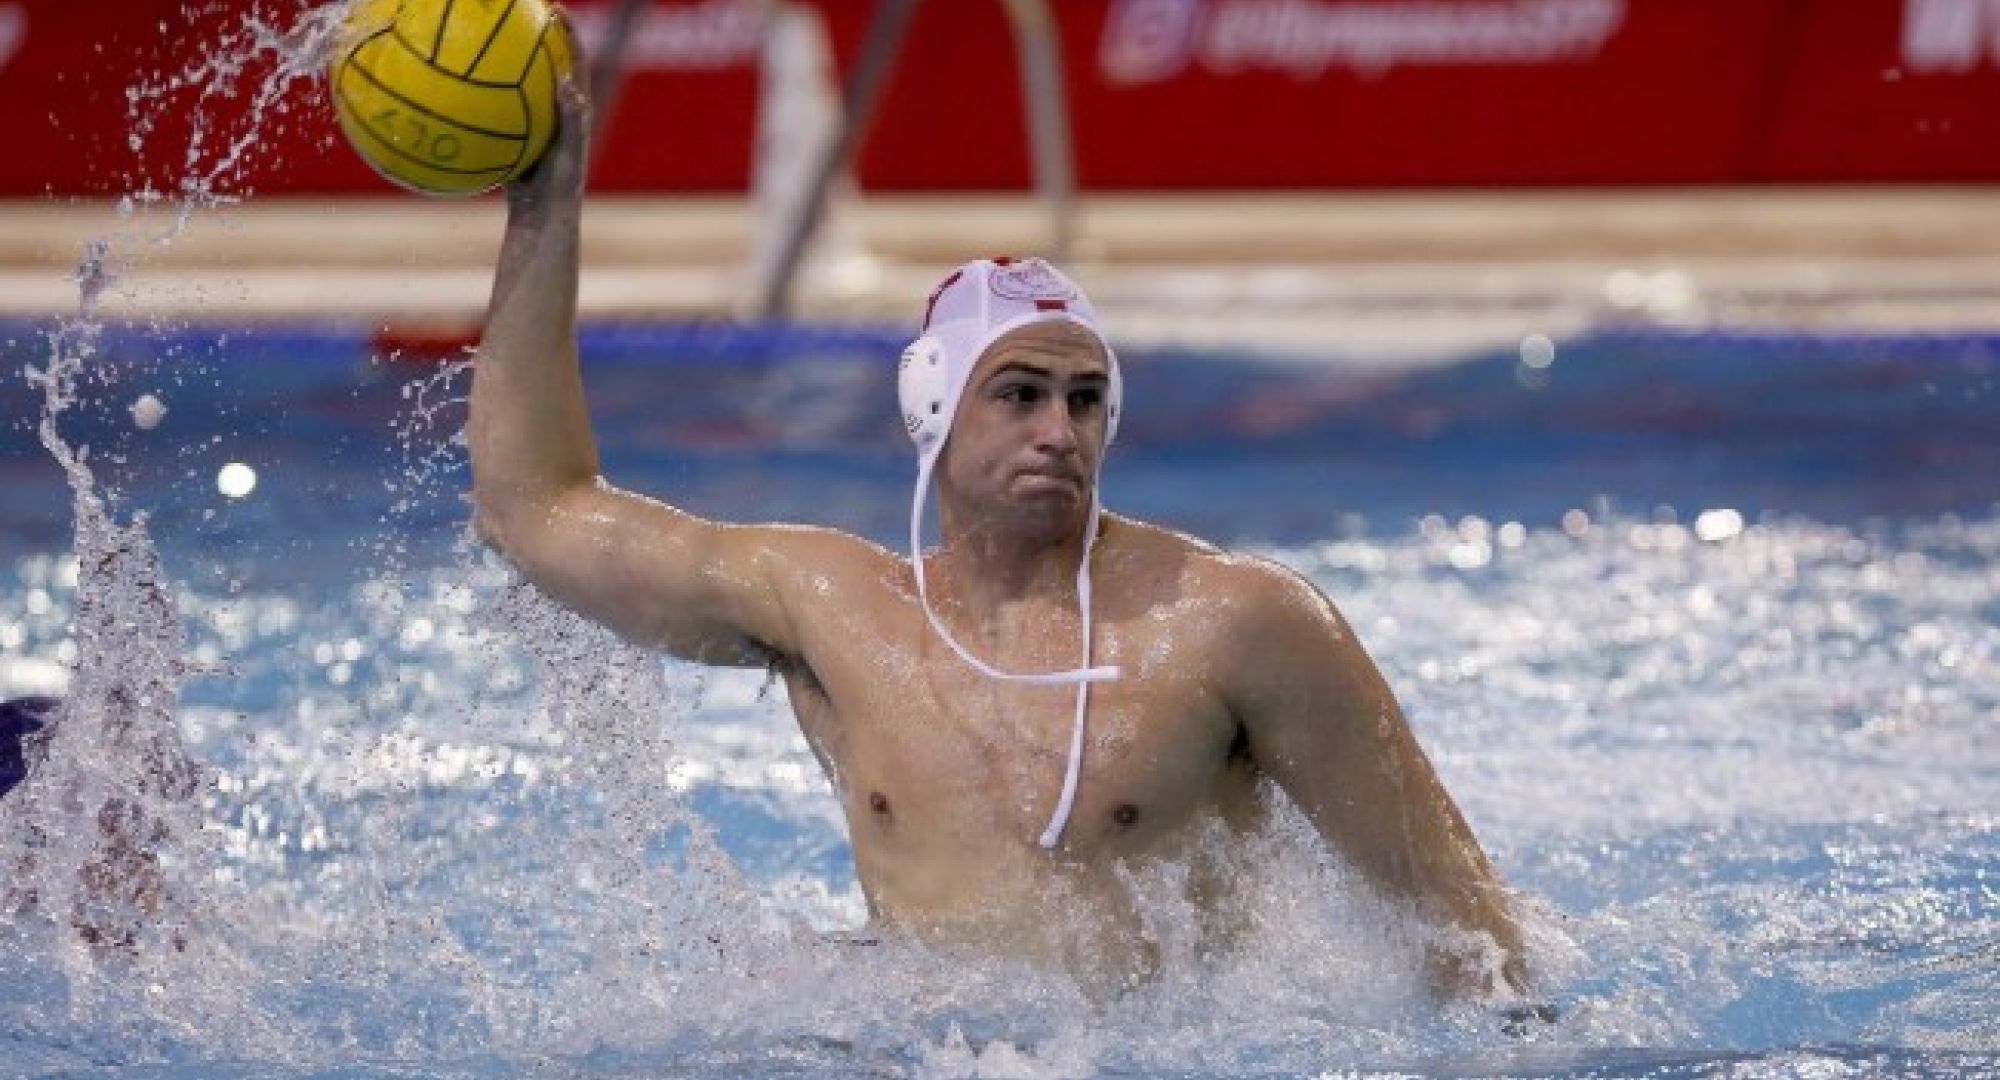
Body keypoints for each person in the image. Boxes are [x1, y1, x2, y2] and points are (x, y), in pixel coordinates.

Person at [468, 71, 1530, 1001]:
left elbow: (1472, 937)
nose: (1058, 431)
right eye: (1019, 394)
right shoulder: (831, 608)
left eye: (1085, 400)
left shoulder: (1238, 623)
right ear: (932, 406)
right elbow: (534, 511)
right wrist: (543, 206)